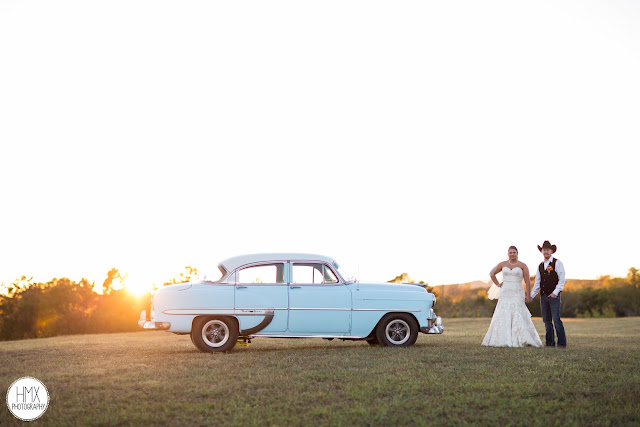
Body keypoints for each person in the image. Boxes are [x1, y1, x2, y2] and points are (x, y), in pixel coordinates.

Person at [482, 246, 543, 347]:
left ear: (517, 253)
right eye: (510, 252)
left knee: (518, 312)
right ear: (508, 254)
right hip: (505, 292)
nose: (512, 254)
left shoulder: (523, 265)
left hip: (518, 292)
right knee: (503, 313)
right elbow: (492, 274)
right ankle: (502, 338)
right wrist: (498, 284)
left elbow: (527, 281)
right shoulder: (503, 264)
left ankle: (521, 338)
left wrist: (528, 295)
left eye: (514, 252)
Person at [530, 240, 567, 348]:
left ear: (551, 251)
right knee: (546, 321)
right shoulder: (540, 266)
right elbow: (537, 283)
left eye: (547, 250)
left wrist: (555, 293)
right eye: (544, 250)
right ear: (542, 251)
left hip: (554, 297)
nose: (545, 252)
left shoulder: (557, 263)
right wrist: (531, 296)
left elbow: (562, 280)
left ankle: (561, 343)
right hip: (543, 297)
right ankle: (550, 343)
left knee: (556, 319)